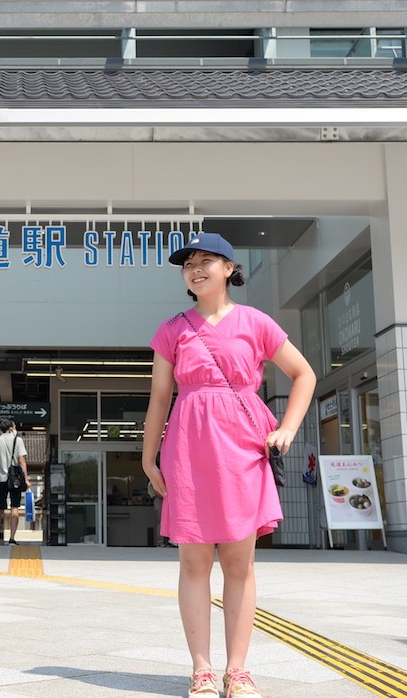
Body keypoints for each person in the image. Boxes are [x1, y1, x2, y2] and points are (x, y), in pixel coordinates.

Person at [141, 232, 315, 698]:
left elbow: (304, 374)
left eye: (206, 261)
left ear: (230, 269)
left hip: (243, 447)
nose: (195, 269)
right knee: (194, 560)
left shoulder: (256, 322)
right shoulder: (172, 330)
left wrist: (288, 429)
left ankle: (237, 670)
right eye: (188, 264)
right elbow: (160, 398)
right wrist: (147, 456)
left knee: (239, 562)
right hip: (189, 448)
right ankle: (201, 668)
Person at [0, 419, 30, 545]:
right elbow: (21, 461)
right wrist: (26, 478)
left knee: (0, 508)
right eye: (15, 427)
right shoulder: (18, 440)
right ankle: (12, 538)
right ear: (11, 429)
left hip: (1, 480)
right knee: (14, 508)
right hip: (15, 479)